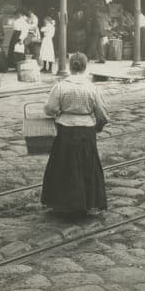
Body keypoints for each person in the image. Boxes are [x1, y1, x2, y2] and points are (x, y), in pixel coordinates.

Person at [41, 53, 109, 216]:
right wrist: (97, 127)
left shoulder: (61, 86)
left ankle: (62, 202)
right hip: (86, 130)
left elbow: (49, 108)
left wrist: (60, 112)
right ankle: (87, 202)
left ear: (70, 66)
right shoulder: (91, 88)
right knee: (87, 164)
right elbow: (102, 115)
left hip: (65, 129)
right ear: (85, 67)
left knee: (63, 164)